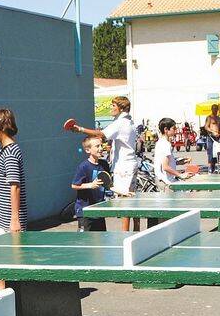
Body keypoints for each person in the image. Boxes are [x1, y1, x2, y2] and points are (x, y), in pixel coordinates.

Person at [67, 96, 139, 231]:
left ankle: (125, 237)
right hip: (131, 164)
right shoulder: (130, 122)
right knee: (130, 201)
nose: (110, 108)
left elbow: (101, 133)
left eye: (113, 106)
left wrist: (80, 129)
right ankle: (135, 231)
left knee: (125, 204)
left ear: (121, 108)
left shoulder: (120, 123)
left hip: (124, 167)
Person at [0, 108, 29, 292]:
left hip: (6, 221)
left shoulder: (10, 153)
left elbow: (14, 186)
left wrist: (15, 220)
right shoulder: (6, 150)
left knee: (4, 263)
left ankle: (6, 298)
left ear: (1, 127)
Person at [71, 136, 110, 232]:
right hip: (85, 211)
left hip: (98, 210)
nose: (101, 148)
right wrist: (90, 185)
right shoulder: (83, 167)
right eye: (97, 146)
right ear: (88, 150)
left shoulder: (104, 164)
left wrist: (123, 192)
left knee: (101, 240)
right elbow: (74, 185)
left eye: (101, 145)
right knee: (87, 242)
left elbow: (108, 184)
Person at [153, 118, 202, 184]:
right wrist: (181, 175)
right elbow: (165, 167)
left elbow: (166, 162)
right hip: (166, 181)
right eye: (174, 128)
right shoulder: (165, 144)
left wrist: (181, 161)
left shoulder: (160, 142)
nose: (176, 131)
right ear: (166, 130)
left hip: (162, 180)